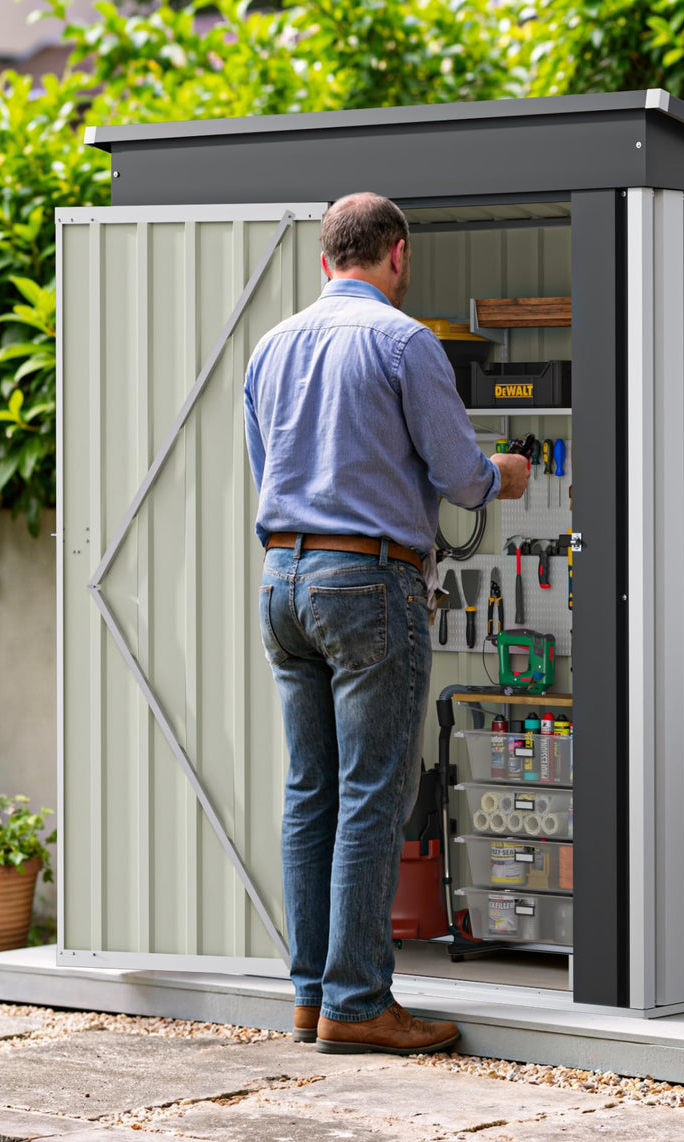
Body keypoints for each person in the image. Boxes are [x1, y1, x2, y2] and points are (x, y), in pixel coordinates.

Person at [243, 192, 529, 1055]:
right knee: (373, 793)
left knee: (311, 792)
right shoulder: (404, 342)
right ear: (397, 254)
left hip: (283, 577)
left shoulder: (271, 345)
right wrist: (506, 474)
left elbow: (266, 468)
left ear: (325, 259)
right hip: (368, 581)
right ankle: (359, 1002)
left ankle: (311, 997)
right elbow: (460, 476)